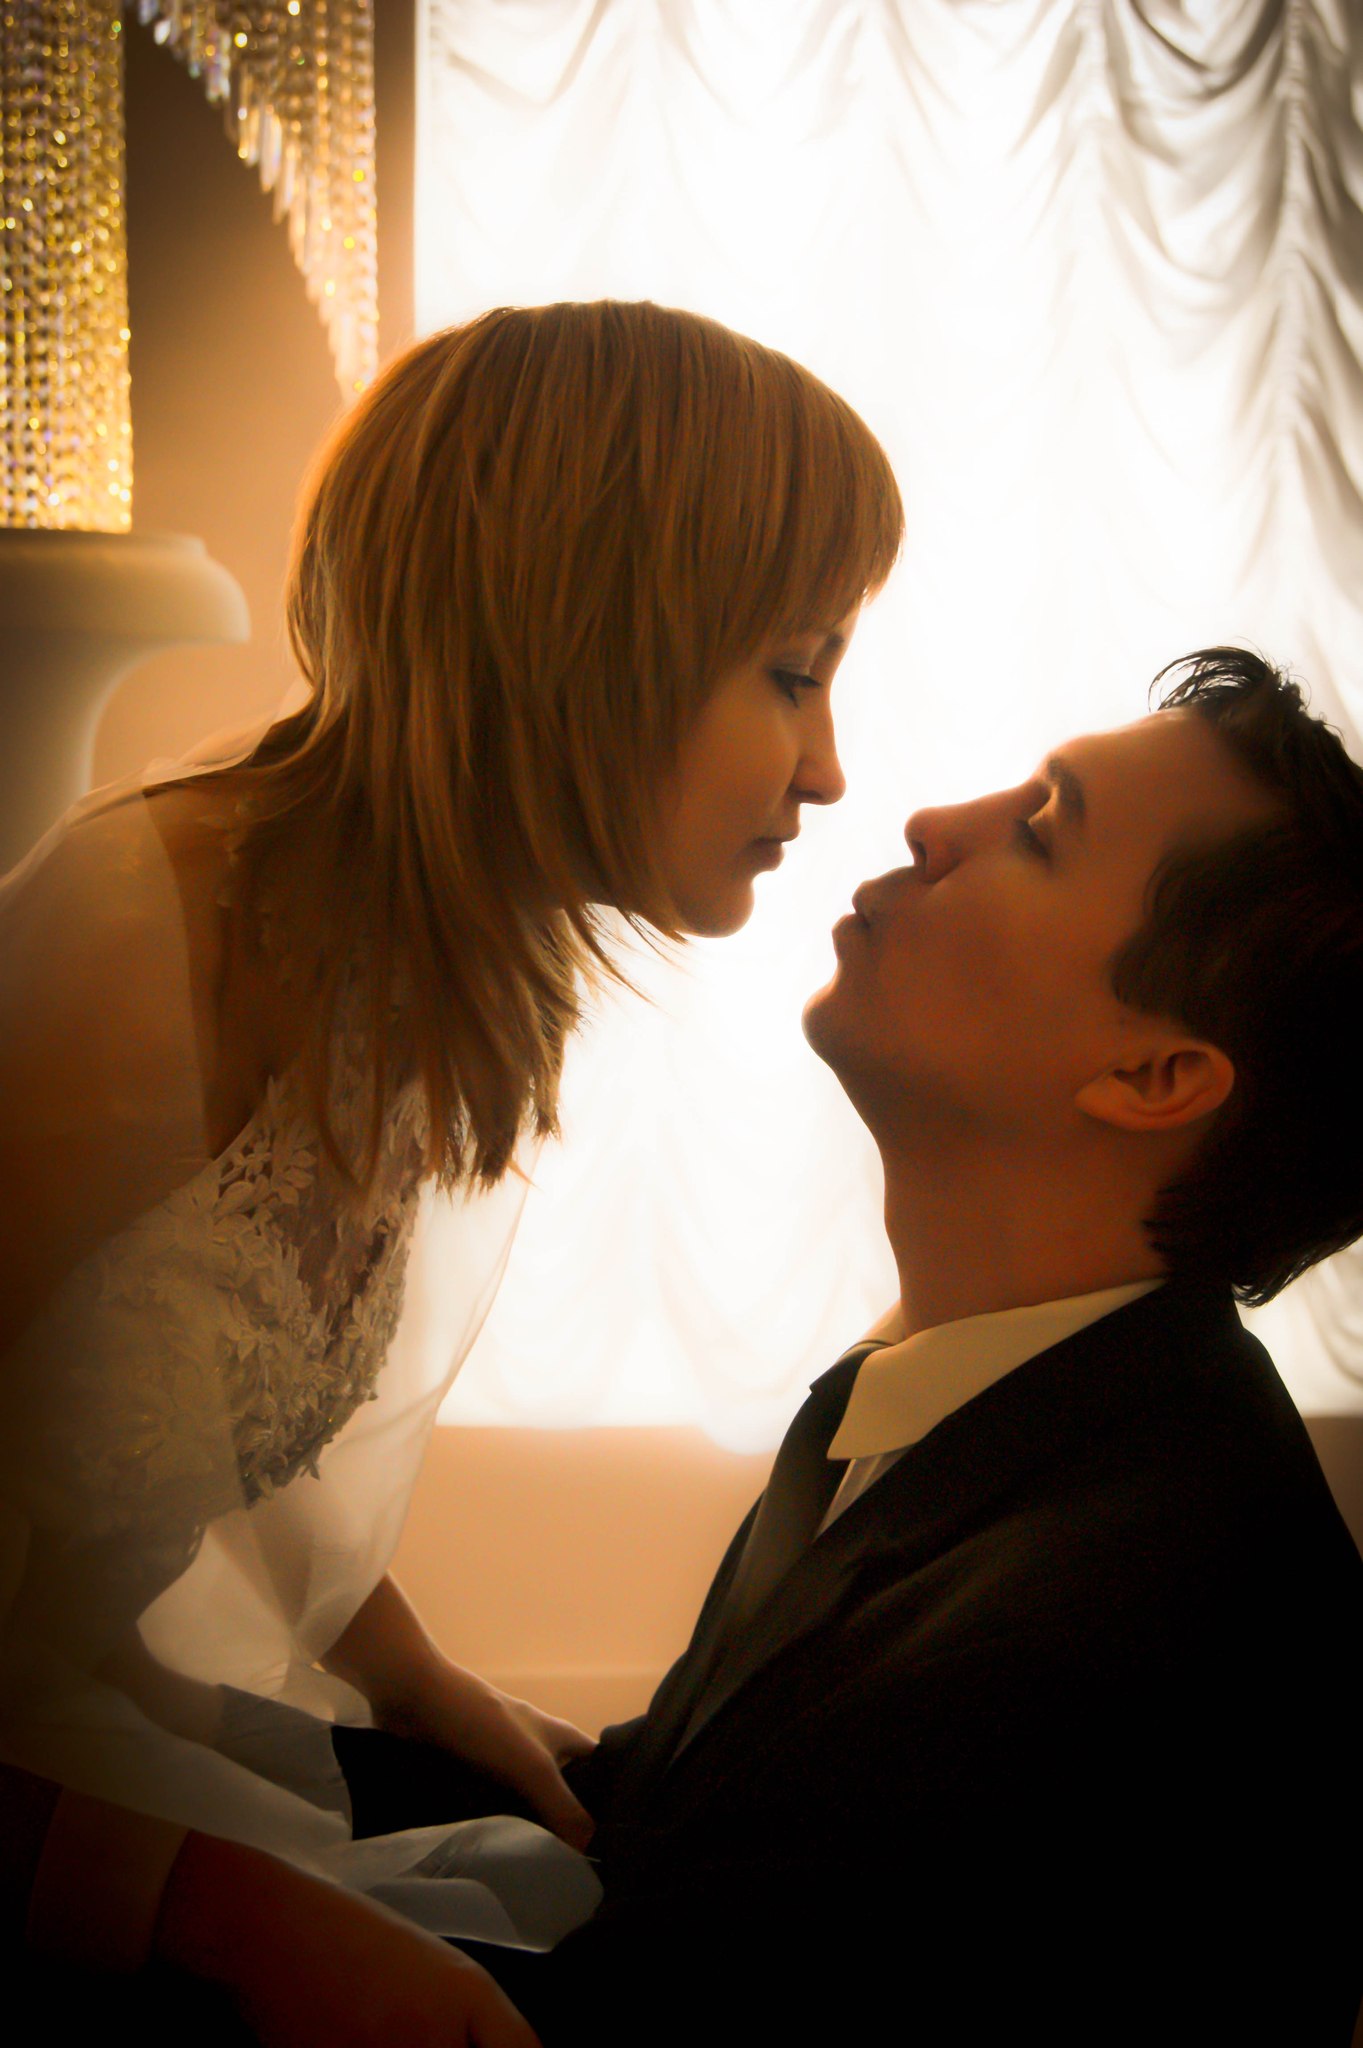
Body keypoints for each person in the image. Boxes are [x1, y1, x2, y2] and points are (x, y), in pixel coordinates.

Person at [0, 300, 903, 2043]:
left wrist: (418, 1680)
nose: (827, 767)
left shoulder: (416, 966)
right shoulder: (143, 936)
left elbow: (170, 1407)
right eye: (794, 673)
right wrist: (220, 1912)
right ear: (585, 641)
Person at [340, 647, 1363, 2045]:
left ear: (1152, 1076)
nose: (932, 824)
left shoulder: (1134, 1613)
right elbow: (689, 1831)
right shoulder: (967, 1402)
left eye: (1039, 832)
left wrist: (166, 1890)